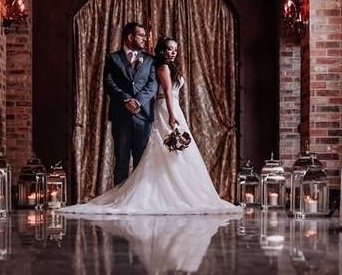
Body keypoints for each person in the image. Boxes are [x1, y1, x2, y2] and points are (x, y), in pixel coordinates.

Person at [60, 36, 238, 215]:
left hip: (174, 107)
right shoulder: (162, 66)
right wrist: (171, 115)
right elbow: (167, 92)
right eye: (170, 49)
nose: (174, 52)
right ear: (162, 50)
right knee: (162, 149)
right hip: (167, 108)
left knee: (175, 152)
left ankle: (174, 193)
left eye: (176, 49)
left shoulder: (169, 66)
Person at [101, 21, 158, 187]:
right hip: (121, 116)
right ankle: (120, 198)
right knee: (121, 161)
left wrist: (138, 101)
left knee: (141, 162)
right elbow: (109, 83)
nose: (144, 39)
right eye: (141, 36)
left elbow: (152, 84)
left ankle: (140, 199)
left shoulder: (149, 60)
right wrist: (126, 99)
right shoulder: (113, 58)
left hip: (143, 117)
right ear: (130, 37)